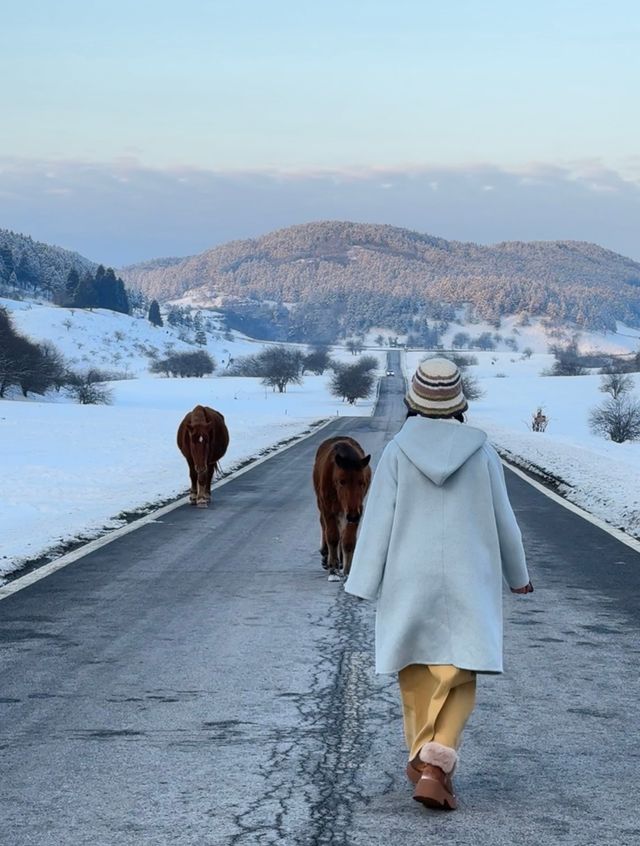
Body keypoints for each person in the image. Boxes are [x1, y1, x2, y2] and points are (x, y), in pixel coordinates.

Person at [344, 357, 533, 811]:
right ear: (458, 402)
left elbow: (378, 523)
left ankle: (424, 760)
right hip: (471, 574)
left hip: (409, 575)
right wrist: (518, 575)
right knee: (462, 669)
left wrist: (363, 579)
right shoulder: (483, 452)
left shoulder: (395, 452)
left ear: (414, 401)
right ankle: (436, 764)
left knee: (415, 668)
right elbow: (503, 518)